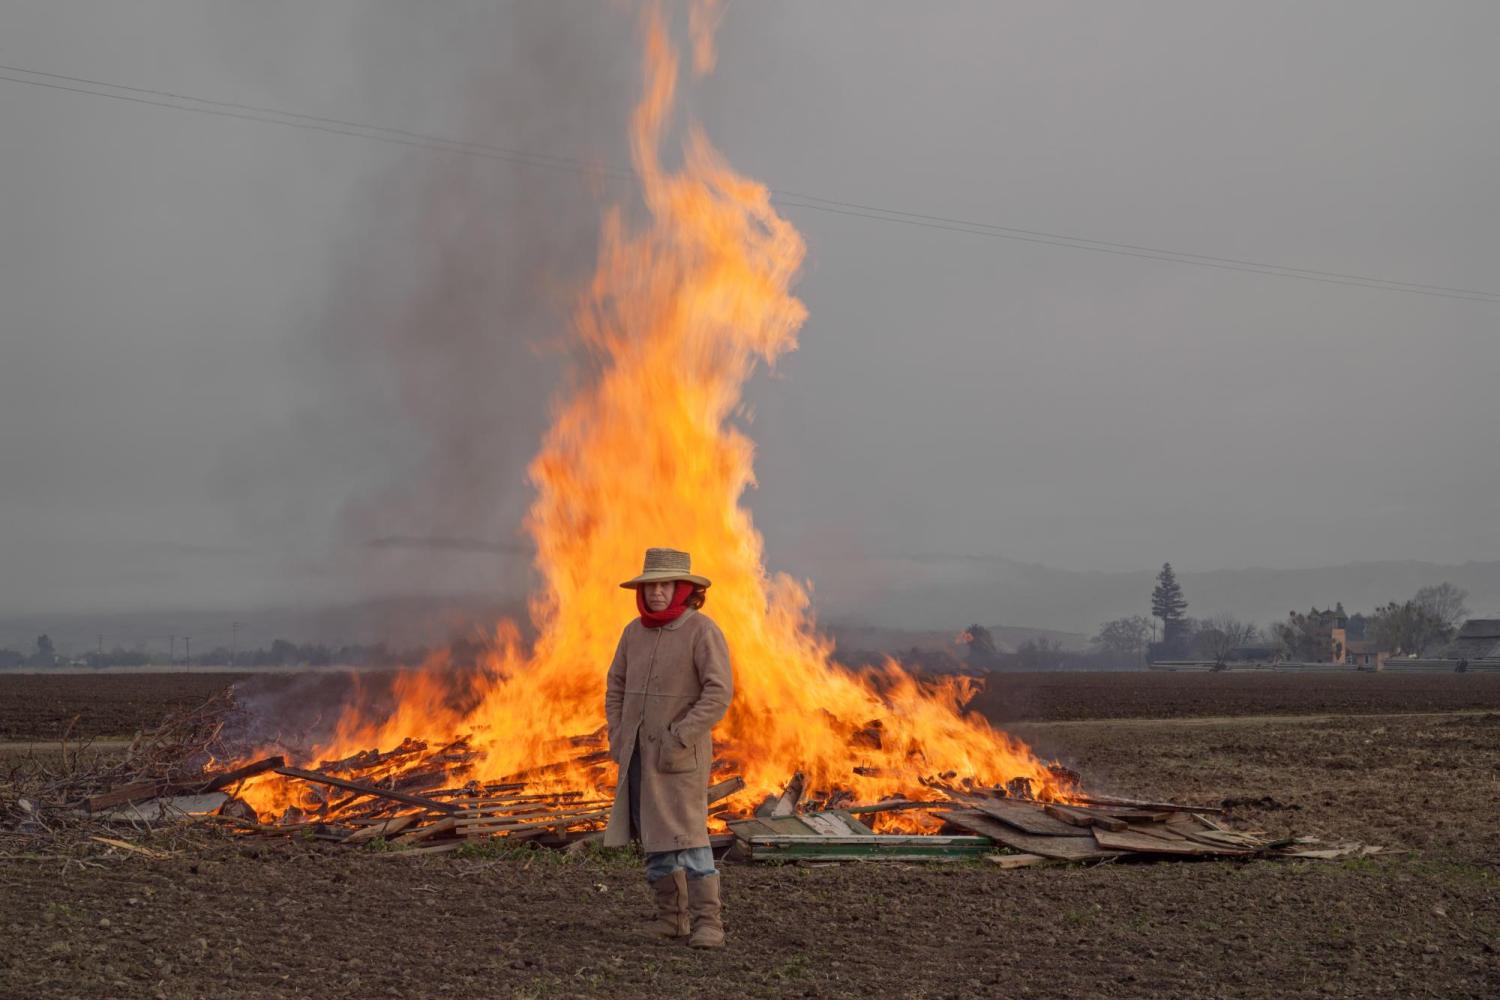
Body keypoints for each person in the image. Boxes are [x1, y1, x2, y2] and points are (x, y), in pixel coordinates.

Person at [603, 547, 733, 949]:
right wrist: (619, 735)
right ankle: (671, 919)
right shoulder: (632, 632)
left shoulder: (702, 631)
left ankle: (707, 924)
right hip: (640, 756)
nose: (657, 592)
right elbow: (616, 688)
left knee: (690, 838)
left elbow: (718, 692)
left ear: (684, 589)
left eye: (665, 584)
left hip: (680, 758)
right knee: (654, 838)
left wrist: (681, 734)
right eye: (651, 585)